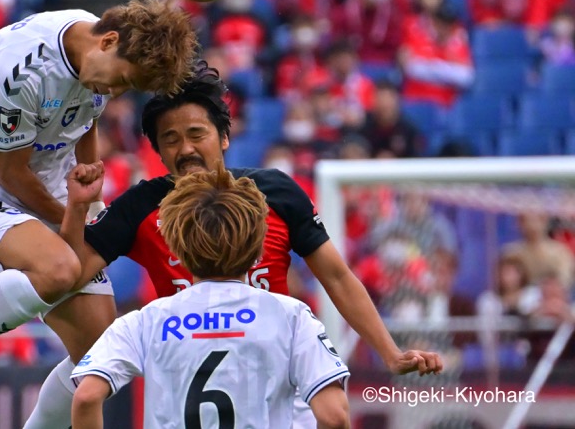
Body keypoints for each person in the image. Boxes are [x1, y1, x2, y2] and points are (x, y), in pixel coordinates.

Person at [24, 65, 442, 429]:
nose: (185, 148)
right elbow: (72, 272)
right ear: (157, 150)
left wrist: (390, 352)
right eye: (170, 139)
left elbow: (335, 274)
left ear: (223, 137)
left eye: (196, 134)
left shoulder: (274, 191)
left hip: (277, 385)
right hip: (185, 375)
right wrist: (77, 209)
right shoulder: (141, 205)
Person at [0, 0, 197, 429]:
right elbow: (10, 173)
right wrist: (75, 216)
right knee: (61, 267)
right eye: (119, 81)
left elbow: (85, 119)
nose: (115, 93)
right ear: (108, 41)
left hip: (43, 191)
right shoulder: (21, 70)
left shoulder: (98, 54)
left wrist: (88, 186)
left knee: (99, 353)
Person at [71, 169, 352, 429]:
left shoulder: (145, 320)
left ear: (178, 249)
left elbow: (86, 397)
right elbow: (334, 416)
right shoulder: (292, 317)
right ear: (257, 249)